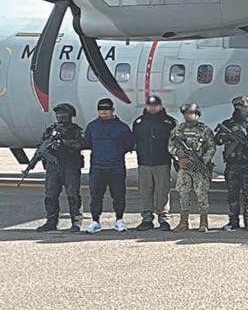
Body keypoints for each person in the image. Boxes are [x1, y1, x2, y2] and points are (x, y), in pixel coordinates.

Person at [214, 96, 248, 231]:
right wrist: (227, 136)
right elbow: (217, 140)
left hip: (247, 165)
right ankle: (233, 221)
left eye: (242, 107)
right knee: (232, 195)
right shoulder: (228, 124)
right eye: (237, 107)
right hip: (231, 165)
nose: (239, 110)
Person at [83, 98, 133, 234]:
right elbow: (88, 142)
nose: (104, 111)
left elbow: (129, 144)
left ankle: (119, 220)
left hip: (116, 167)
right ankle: (95, 221)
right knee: (95, 196)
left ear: (113, 110)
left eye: (107, 109)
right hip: (97, 167)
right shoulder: (92, 126)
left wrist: (116, 153)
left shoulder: (121, 127)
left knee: (118, 195)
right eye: (101, 109)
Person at [35, 103, 85, 232]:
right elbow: (42, 146)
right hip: (53, 167)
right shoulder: (50, 131)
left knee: (73, 195)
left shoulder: (75, 130)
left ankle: (76, 222)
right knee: (50, 195)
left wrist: (64, 142)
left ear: (70, 115)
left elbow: (81, 144)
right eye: (58, 114)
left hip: (70, 166)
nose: (60, 116)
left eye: (63, 114)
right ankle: (51, 222)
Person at [168, 103, 216, 232]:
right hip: (184, 168)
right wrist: (178, 153)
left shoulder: (204, 130)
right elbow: (170, 146)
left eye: (191, 113)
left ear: (197, 114)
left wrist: (203, 161)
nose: (188, 116)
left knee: (202, 195)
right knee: (183, 194)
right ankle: (183, 222)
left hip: (199, 168)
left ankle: (203, 222)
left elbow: (211, 148)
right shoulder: (178, 129)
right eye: (186, 113)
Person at [133, 95, 177, 232]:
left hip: (162, 162)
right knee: (145, 191)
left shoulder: (169, 122)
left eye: (155, 105)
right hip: (144, 163)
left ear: (160, 106)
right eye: (150, 105)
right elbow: (135, 141)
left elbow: (175, 142)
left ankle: (164, 219)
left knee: (162, 191)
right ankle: (147, 219)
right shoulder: (139, 122)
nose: (152, 107)